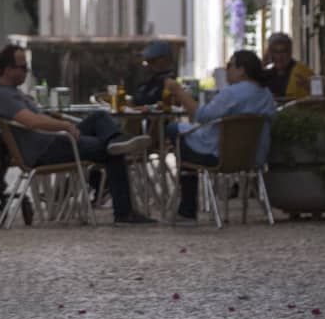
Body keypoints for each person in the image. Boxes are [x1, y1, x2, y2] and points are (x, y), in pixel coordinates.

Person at [0, 44, 154, 225]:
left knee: (99, 117)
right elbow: (31, 121)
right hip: (45, 150)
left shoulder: (12, 93)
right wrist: (65, 125)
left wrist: (60, 123)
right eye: (22, 68)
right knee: (111, 150)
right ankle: (124, 213)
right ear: (7, 70)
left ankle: (118, 140)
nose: (27, 72)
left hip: (53, 141)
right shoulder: (4, 96)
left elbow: (37, 118)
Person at [164, 49, 278, 221]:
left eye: (230, 65)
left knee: (175, 131)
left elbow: (202, 116)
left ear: (242, 70)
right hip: (252, 157)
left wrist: (179, 92)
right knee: (185, 142)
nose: (226, 69)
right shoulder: (266, 95)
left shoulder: (232, 93)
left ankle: (188, 208)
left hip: (218, 156)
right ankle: (186, 207)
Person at [263, 32, 314, 103]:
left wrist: (310, 88)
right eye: (275, 52)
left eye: (283, 51)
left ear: (290, 52)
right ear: (270, 53)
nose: (279, 57)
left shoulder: (301, 72)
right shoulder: (266, 74)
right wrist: (263, 63)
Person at [131, 39, 176, 106]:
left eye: (152, 60)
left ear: (165, 60)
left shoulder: (171, 83)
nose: (147, 64)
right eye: (146, 60)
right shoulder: (150, 80)